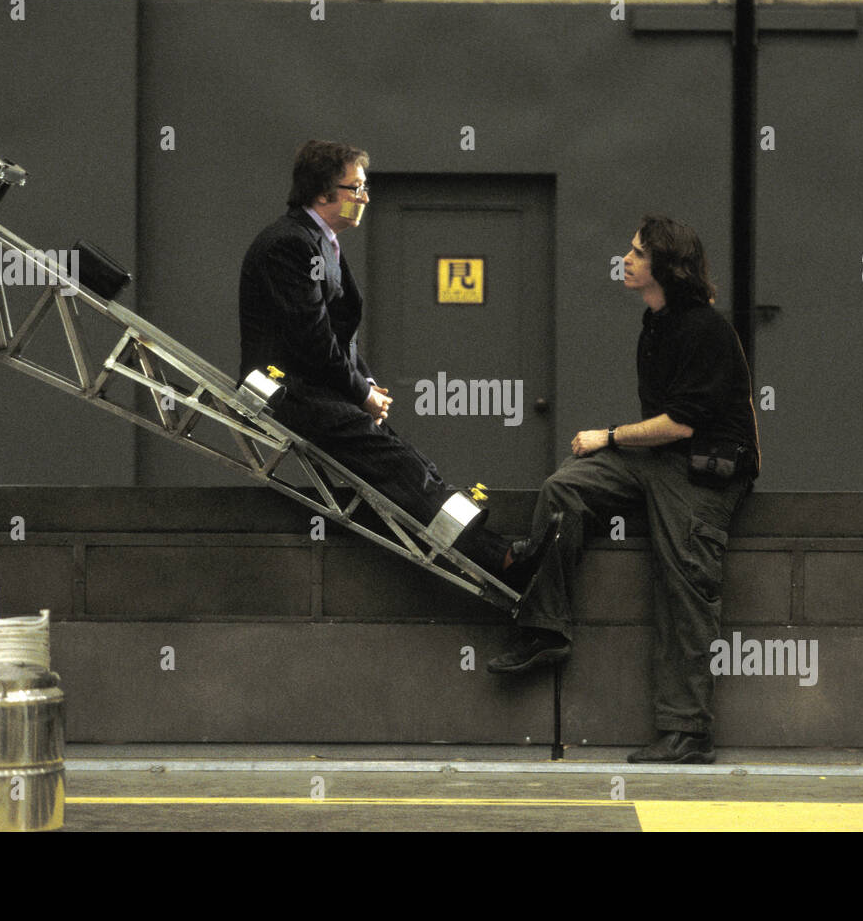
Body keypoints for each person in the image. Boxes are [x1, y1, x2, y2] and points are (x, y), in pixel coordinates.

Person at [486, 215, 760, 766]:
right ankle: (546, 628)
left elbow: (682, 423)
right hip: (659, 460)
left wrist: (609, 437)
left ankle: (687, 732)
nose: (626, 259)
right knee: (565, 487)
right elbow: (664, 429)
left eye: (637, 253)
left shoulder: (703, 328)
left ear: (665, 267)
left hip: (706, 471)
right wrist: (615, 447)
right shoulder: (654, 323)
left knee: (685, 583)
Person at [238, 140, 557, 591]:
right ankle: (500, 560)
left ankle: (497, 555)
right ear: (324, 192)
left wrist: (365, 384)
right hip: (288, 394)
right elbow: (310, 342)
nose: (365, 198)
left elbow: (332, 338)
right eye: (357, 188)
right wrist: (360, 393)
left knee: (411, 467)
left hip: (314, 391)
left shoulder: (315, 242)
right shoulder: (290, 246)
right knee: (403, 470)